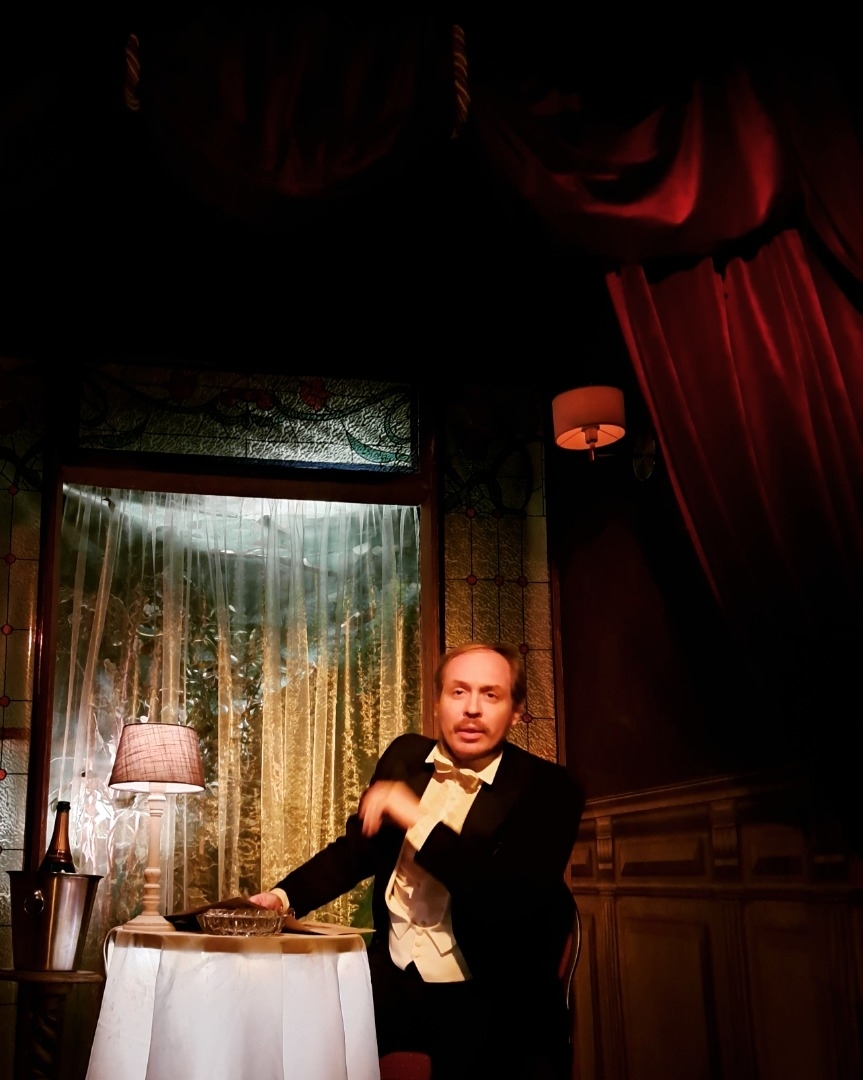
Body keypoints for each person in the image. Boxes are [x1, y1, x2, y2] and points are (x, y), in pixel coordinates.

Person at [251, 641, 585, 1079]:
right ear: (438, 702)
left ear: (516, 711)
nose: (472, 708)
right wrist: (281, 897)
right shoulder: (405, 756)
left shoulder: (551, 789)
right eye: (458, 691)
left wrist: (415, 816)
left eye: (490, 694)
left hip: (492, 995)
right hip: (390, 977)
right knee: (291, 1037)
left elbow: (503, 899)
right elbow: (355, 853)